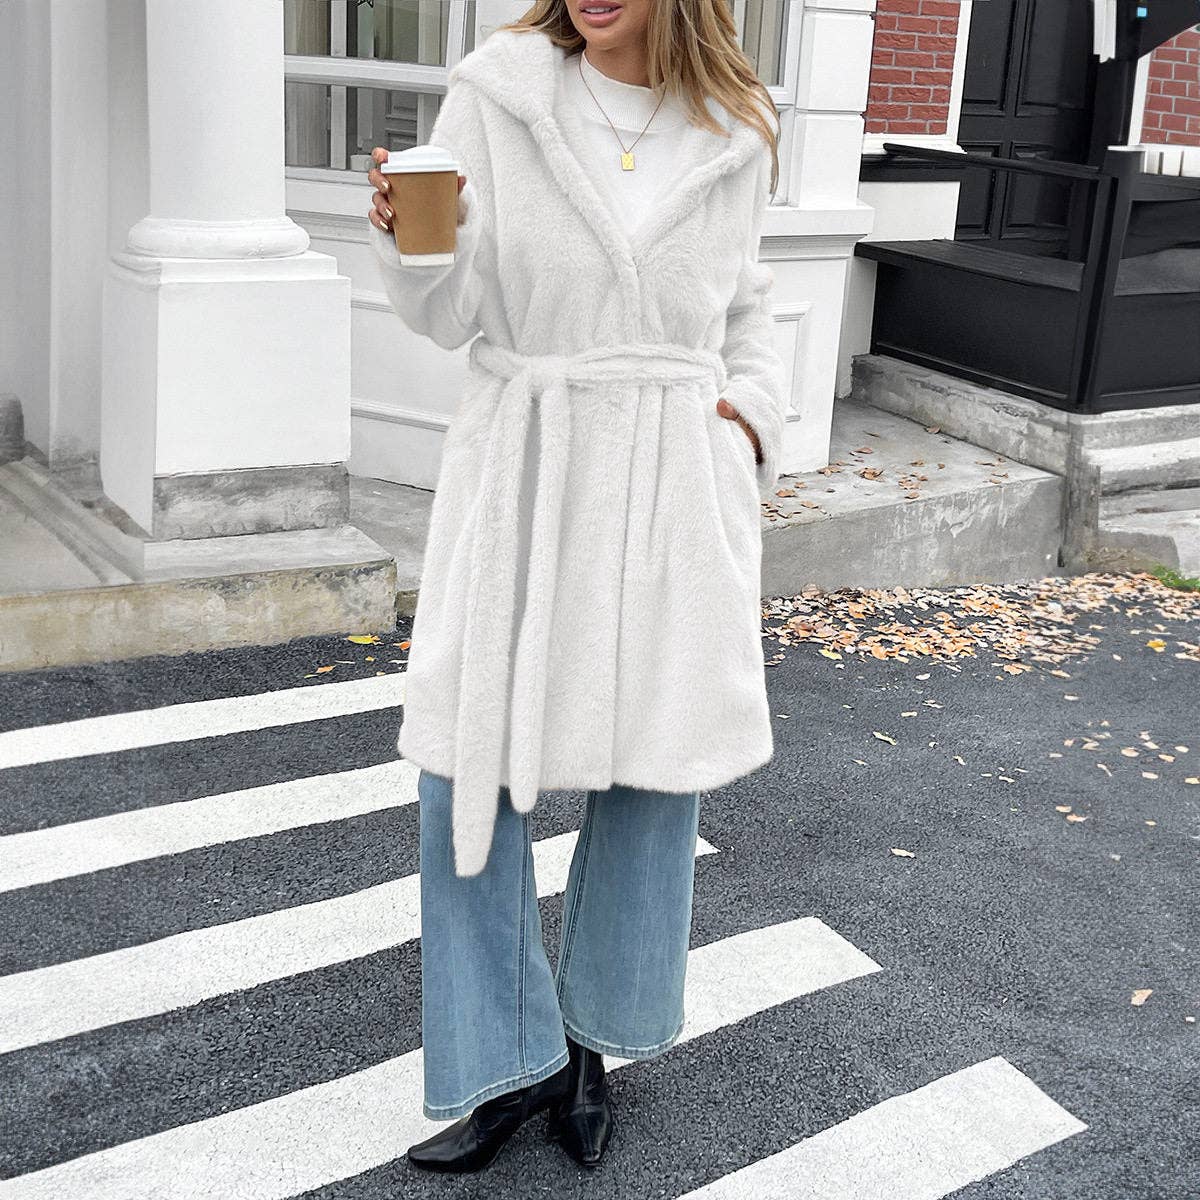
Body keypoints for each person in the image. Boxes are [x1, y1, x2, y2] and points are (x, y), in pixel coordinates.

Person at [365, 0, 786, 1175]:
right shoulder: (499, 93)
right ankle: (509, 1061)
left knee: (653, 775)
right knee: (464, 770)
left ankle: (590, 1046)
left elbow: (748, 303)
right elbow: (446, 312)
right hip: (528, 467)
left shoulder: (737, 124)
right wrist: (412, 239)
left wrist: (747, 425)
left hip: (671, 480)